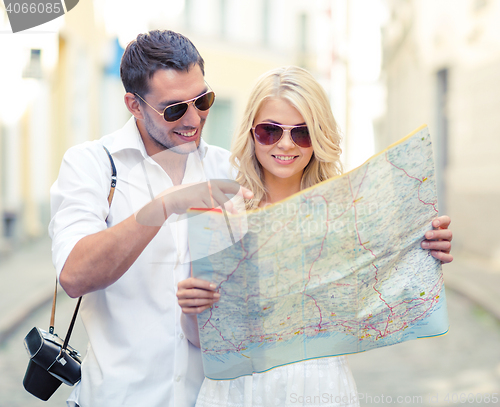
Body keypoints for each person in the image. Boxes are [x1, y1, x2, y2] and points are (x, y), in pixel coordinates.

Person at [177, 66, 453, 407]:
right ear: (251, 133)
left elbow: (378, 301)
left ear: (319, 136)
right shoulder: (223, 214)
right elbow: (200, 340)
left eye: (302, 132)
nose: (286, 144)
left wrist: (423, 249)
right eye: (269, 131)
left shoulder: (347, 215)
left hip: (320, 390)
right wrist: (191, 310)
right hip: (239, 393)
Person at [49, 30, 251, 407]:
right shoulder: (91, 164)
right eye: (175, 108)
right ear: (134, 104)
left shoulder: (228, 167)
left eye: (202, 100)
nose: (194, 118)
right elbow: (75, 276)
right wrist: (166, 205)